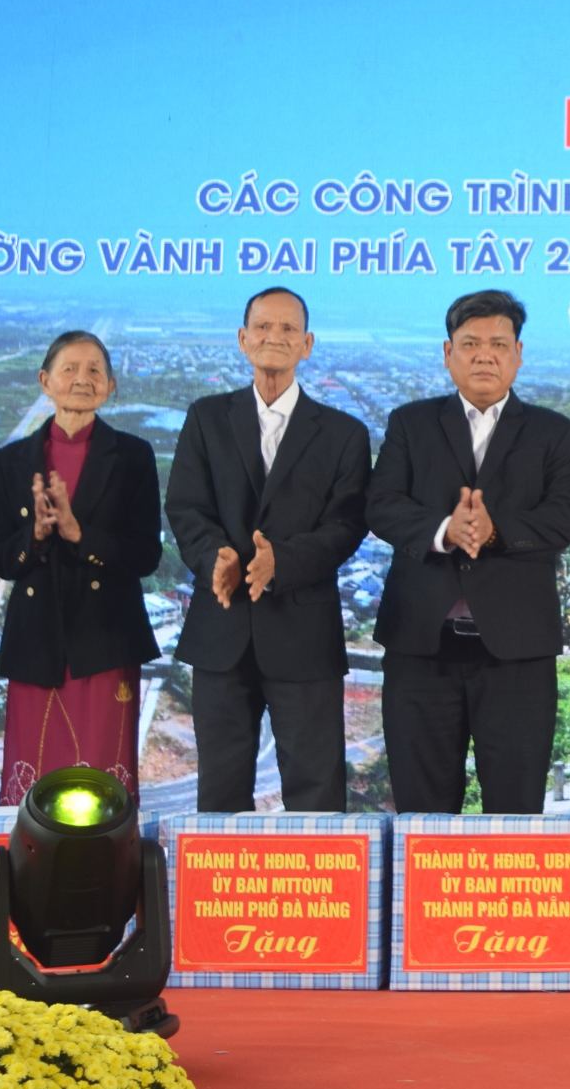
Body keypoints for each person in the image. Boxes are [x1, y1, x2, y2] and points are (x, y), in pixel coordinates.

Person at [367, 291, 570, 814]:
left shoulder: (554, 432)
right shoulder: (410, 423)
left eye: (498, 344)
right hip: (422, 644)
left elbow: (569, 516)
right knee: (422, 806)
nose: (484, 355)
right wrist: (446, 528)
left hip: (516, 648)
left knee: (515, 805)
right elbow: (380, 506)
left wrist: (496, 531)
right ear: (448, 354)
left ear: (518, 354)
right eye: (470, 344)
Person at [165, 287, 369, 813]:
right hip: (221, 627)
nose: (272, 338)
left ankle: (317, 895)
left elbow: (347, 523)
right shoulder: (206, 417)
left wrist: (282, 562)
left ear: (307, 344)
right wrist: (219, 559)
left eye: (287, 330)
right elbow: (186, 507)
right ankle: (222, 897)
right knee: (220, 790)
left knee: (316, 787)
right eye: (262, 327)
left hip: (304, 632)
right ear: (242, 339)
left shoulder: (344, 433)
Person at [0, 331, 163, 805]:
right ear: (45, 381)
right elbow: (0, 559)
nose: (81, 380)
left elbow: (147, 555)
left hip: (104, 640)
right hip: (35, 642)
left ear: (111, 386)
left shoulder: (133, 456)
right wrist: (38, 536)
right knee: (34, 784)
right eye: (69, 369)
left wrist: (79, 534)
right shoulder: (11, 461)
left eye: (94, 371)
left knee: (103, 790)